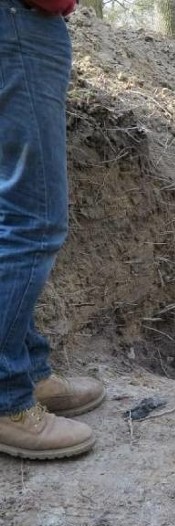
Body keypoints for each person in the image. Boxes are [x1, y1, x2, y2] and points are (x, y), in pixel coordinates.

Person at [0, 0, 106, 460]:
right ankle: (7, 400)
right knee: (34, 220)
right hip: (21, 18)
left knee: (12, 213)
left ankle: (28, 373)